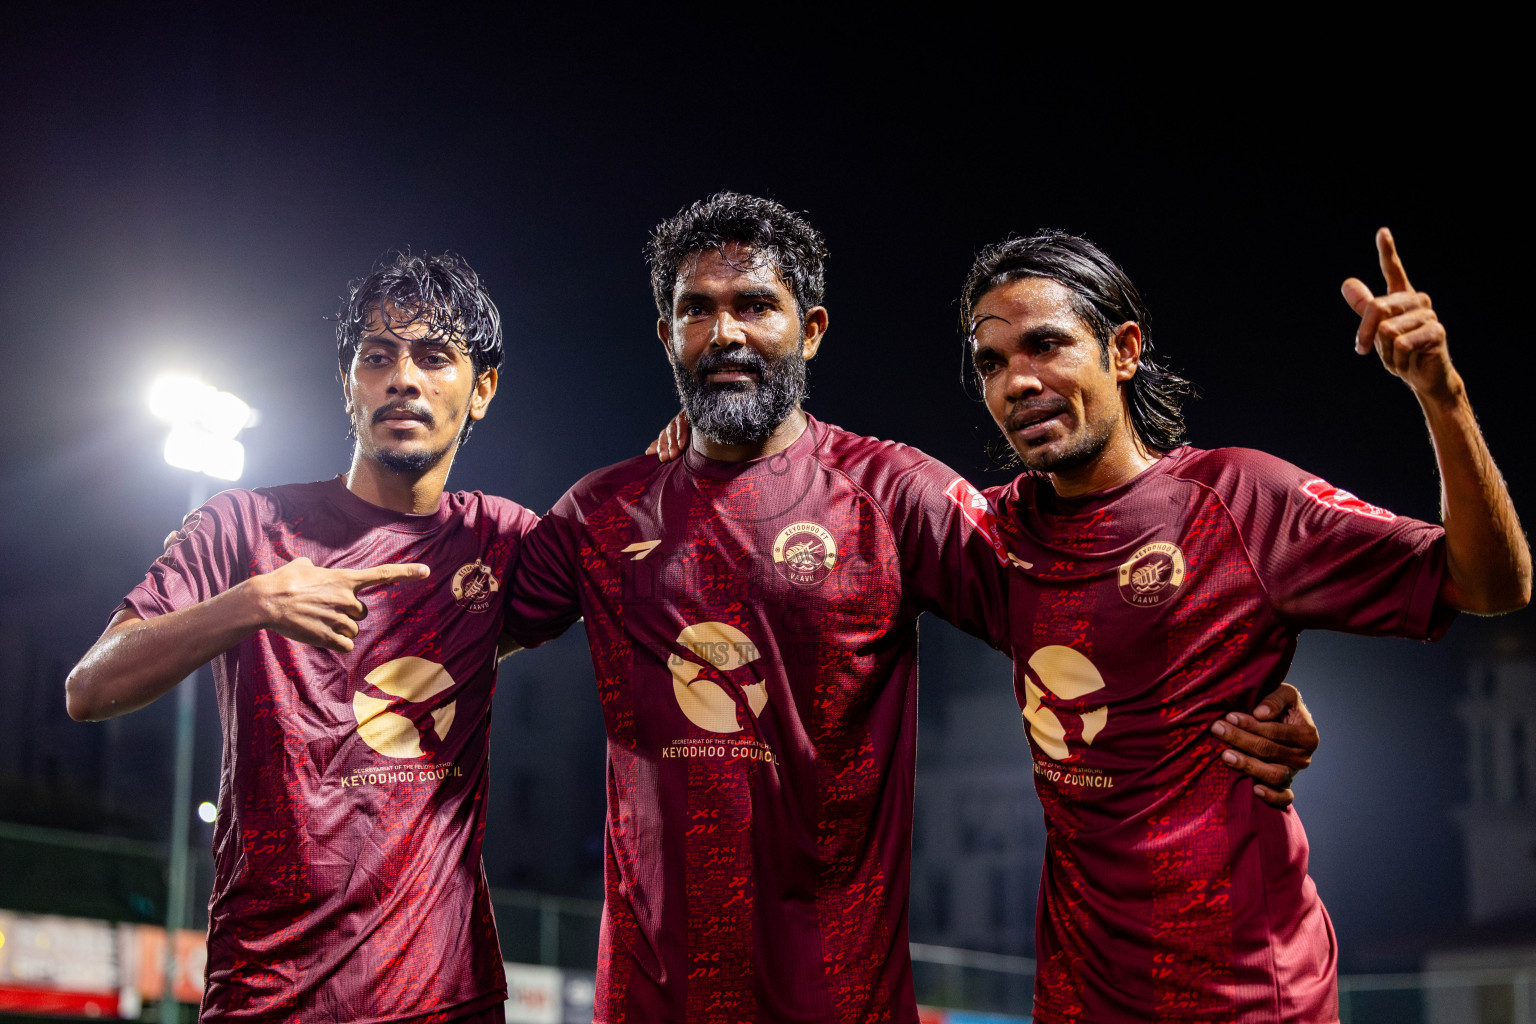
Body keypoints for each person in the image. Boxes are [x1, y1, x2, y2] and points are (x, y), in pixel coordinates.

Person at [509, 193, 1319, 1023]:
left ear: (812, 327)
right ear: (666, 336)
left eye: (754, 305)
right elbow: (465, 626)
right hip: (645, 1004)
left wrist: (1236, 679)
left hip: (843, 999)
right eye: (697, 311)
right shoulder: (601, 514)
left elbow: (1090, 600)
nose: (726, 333)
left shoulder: (896, 496)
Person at [959, 228, 1530, 1022]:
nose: (1018, 381)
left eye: (1046, 345)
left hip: (1249, 995)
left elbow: (1492, 585)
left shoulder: (1241, 500)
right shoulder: (995, 540)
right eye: (992, 363)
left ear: (1123, 350)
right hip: (1078, 997)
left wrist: (1443, 394)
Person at [65, 253, 533, 1024]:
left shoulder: (502, 541)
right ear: (347, 385)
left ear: (480, 389)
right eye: (376, 357)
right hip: (268, 996)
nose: (402, 379)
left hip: (446, 1002)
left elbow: (643, 583)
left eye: (433, 356)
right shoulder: (245, 527)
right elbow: (88, 687)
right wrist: (251, 603)